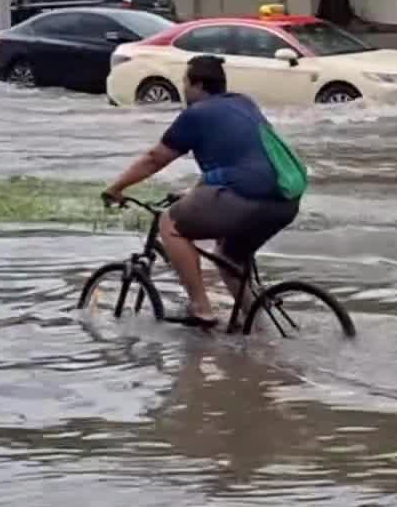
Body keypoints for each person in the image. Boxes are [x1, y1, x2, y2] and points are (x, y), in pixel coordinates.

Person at [102, 55, 300, 329]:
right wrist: (194, 196)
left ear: (197, 84)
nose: (183, 89)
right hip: (285, 200)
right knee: (229, 257)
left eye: (185, 82)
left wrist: (116, 188)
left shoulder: (195, 114)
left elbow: (154, 159)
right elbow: (235, 163)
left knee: (169, 224)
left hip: (246, 197)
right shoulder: (243, 103)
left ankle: (201, 308)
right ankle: (258, 325)